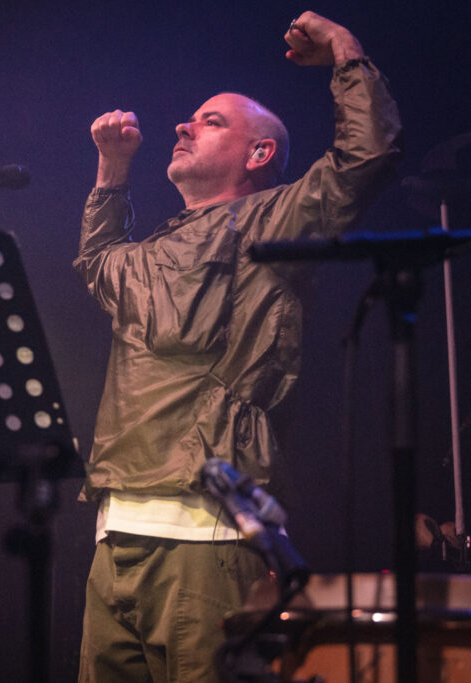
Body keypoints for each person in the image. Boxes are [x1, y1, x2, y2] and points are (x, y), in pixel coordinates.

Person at [74, 11, 402, 682]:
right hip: (117, 535)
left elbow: (364, 159)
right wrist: (112, 171)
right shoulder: (153, 249)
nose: (184, 126)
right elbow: (98, 262)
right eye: (192, 118)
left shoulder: (274, 220)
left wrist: (345, 53)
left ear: (258, 155)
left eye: (212, 121)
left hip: (211, 535)